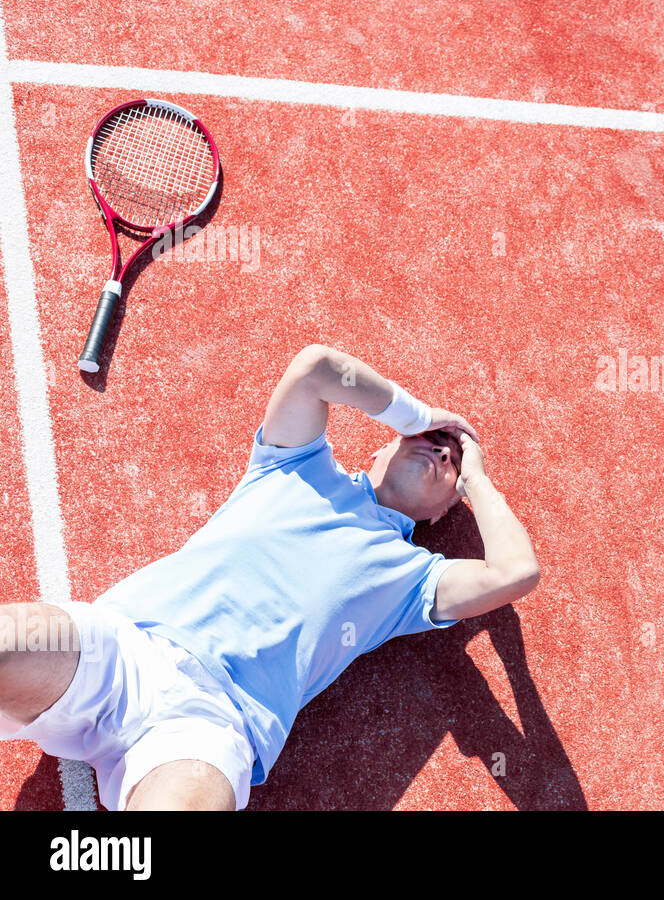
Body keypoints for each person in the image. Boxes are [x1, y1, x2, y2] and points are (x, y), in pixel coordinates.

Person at [0, 344, 541, 810]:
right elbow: (315, 367)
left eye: (452, 463)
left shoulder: (414, 579)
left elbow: (515, 571)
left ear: (441, 514)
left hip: (209, 725)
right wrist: (417, 414)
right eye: (432, 439)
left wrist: (476, 477)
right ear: (385, 442)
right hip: (123, 648)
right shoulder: (294, 467)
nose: (444, 449)